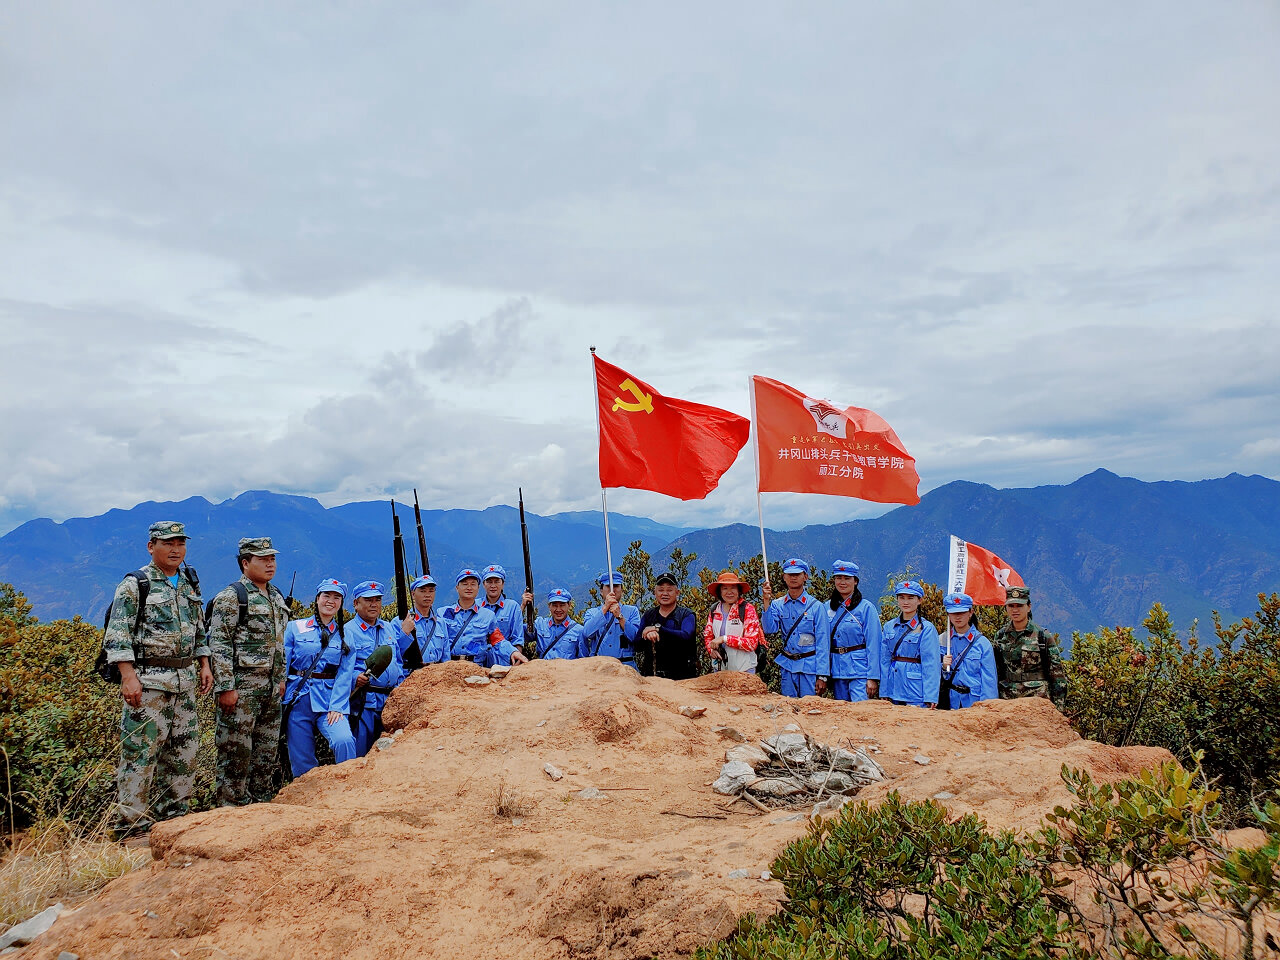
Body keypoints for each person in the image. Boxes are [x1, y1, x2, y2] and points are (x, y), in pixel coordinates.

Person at [103, 521, 213, 838]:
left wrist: (204, 663)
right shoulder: (135, 584)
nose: (176, 549)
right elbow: (118, 635)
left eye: (180, 543)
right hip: (149, 683)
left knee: (184, 755)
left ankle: (173, 826)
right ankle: (132, 829)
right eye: (168, 543)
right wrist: (127, 676)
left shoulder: (189, 581)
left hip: (185, 682)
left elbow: (199, 628)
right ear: (151, 546)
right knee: (140, 757)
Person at [207, 537, 292, 806]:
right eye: (263, 559)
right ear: (245, 563)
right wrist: (226, 687)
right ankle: (231, 808)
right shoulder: (231, 598)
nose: (270, 564)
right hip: (241, 689)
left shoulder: (276, 596)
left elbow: (279, 642)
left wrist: (280, 679)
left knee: (266, 752)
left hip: (270, 690)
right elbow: (218, 644)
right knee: (236, 752)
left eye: (272, 558)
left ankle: (261, 807)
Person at [282, 578, 359, 777]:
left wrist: (338, 706)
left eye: (336, 597)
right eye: (326, 596)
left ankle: (348, 784)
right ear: (317, 599)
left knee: (344, 740)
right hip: (299, 698)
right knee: (301, 758)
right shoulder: (295, 628)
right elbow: (283, 663)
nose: (330, 601)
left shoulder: (345, 636)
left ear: (342, 603)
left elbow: (345, 673)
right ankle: (306, 800)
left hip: (329, 701)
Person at [347, 580, 407, 755]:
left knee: (388, 753)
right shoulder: (348, 631)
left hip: (390, 701)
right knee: (362, 752)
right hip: (365, 701)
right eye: (368, 600)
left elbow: (398, 661)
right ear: (356, 603)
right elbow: (340, 668)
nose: (374, 604)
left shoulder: (387, 628)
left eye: (377, 600)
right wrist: (354, 678)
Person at [760, 558, 830, 697]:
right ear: (784, 577)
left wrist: (822, 675)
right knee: (789, 708)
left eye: (797, 574)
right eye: (789, 574)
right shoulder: (777, 604)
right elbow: (769, 629)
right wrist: (766, 601)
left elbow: (823, 642)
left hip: (809, 667)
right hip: (787, 666)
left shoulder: (816, 607)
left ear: (805, 577)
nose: (793, 578)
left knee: (809, 708)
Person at [992, 586, 1066, 707]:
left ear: (1029, 607)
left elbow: (1057, 674)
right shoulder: (1000, 636)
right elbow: (996, 670)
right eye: (1011, 606)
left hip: (1037, 698)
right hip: (1008, 699)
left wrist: (1059, 708)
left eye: (1020, 606)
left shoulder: (1043, 636)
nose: (1015, 610)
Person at [826, 560, 883, 702]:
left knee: (861, 711)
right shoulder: (827, 607)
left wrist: (873, 677)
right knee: (841, 713)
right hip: (837, 669)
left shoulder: (866, 608)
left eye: (847, 578)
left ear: (855, 581)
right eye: (838, 578)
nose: (842, 582)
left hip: (859, 669)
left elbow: (874, 643)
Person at [439, 568, 519, 667]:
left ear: (478, 588)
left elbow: (497, 640)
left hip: (477, 668)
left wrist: (513, 652)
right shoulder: (444, 613)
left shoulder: (487, 616)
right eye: (464, 584)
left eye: (473, 584)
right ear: (457, 588)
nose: (469, 588)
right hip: (450, 667)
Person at [880, 580, 941, 708]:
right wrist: (884, 690)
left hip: (915, 690)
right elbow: (884, 660)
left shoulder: (926, 628)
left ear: (919, 600)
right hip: (893, 687)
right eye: (901, 598)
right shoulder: (889, 627)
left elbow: (931, 663)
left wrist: (931, 695)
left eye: (910, 598)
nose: (905, 602)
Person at [939, 593, 998, 709]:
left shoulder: (982, 643)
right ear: (948, 615)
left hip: (974, 703)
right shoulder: (942, 640)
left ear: (970, 612)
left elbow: (989, 680)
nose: (957, 617)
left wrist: (987, 707)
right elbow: (932, 673)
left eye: (962, 612)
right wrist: (943, 666)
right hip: (950, 702)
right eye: (953, 613)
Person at [639, 573, 698, 679]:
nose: (665, 593)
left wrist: (658, 629)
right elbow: (637, 644)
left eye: (669, 590)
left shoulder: (687, 615)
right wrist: (647, 635)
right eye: (661, 590)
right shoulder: (649, 615)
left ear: (677, 592)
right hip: (652, 678)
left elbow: (686, 635)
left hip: (682, 679)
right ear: (655, 593)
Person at [702, 569, 762, 674]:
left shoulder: (747, 609)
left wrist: (724, 639)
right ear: (720, 592)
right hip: (720, 669)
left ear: (738, 591)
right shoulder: (715, 610)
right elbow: (708, 635)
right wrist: (711, 649)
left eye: (733, 588)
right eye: (725, 588)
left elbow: (751, 643)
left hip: (744, 670)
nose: (729, 592)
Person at [579, 572, 642, 668]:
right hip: (600, 667)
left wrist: (620, 617)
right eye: (608, 586)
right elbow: (587, 633)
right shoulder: (592, 613)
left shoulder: (632, 611)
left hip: (625, 666)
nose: (613, 590)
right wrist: (604, 609)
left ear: (622, 589)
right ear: (601, 591)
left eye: (616, 586)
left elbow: (635, 637)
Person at [394, 574, 448, 670]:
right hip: (412, 675)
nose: (427, 595)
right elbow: (394, 654)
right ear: (413, 594)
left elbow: (446, 656)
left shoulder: (440, 623)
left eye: (431, 591)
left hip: (438, 675)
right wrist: (405, 633)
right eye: (422, 591)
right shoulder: (400, 622)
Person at [479, 564, 529, 666]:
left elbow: (517, 639)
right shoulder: (476, 606)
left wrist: (516, 664)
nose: (493, 585)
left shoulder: (512, 607)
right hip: (479, 662)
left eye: (497, 581)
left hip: (503, 662)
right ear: (484, 584)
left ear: (503, 584)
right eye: (489, 581)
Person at [523, 587, 582, 659]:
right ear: (549, 606)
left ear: (569, 605)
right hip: (544, 669)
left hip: (567, 670)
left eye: (562, 605)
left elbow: (583, 660)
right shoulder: (540, 625)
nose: (558, 609)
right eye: (554, 605)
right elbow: (516, 631)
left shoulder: (578, 631)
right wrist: (523, 605)